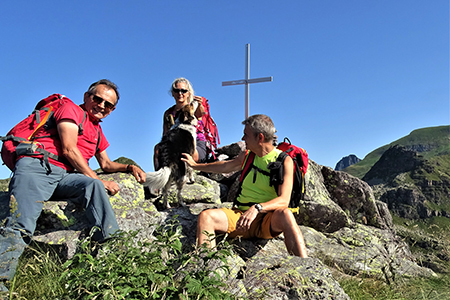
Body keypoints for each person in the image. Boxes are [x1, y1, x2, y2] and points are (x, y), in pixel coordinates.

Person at [0, 79, 146, 291]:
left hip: (64, 176)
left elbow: (105, 163)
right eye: (98, 99)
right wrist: (98, 179)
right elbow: (69, 149)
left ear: (113, 110)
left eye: (109, 105)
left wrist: (129, 168)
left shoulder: (96, 130)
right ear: (87, 97)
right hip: (38, 167)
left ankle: (113, 249)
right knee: (21, 224)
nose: (102, 106)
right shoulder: (71, 110)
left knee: (92, 187)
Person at [181, 114, 308, 258]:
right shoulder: (247, 155)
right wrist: (196, 166)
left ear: (260, 137)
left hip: (267, 220)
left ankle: (305, 267)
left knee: (286, 214)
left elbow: (284, 200)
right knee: (206, 217)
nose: (242, 139)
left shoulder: (284, 160)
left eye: (246, 135)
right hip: (240, 218)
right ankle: (205, 269)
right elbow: (225, 166)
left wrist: (257, 208)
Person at [153, 77, 207, 170]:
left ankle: (187, 175)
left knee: (185, 151)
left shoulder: (193, 107)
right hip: (175, 143)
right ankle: (161, 175)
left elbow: (200, 113)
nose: (180, 93)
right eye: (177, 90)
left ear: (188, 93)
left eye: (183, 91)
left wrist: (199, 104)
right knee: (158, 149)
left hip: (195, 144)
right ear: (172, 93)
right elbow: (165, 135)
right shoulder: (168, 113)